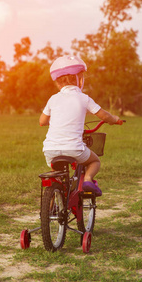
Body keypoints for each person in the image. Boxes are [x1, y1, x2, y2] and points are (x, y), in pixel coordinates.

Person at [39, 55, 122, 196]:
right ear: (79, 79)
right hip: (74, 149)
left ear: (58, 83)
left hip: (50, 150)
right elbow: (103, 115)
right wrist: (114, 119)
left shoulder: (53, 99)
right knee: (95, 161)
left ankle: (53, 202)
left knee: (56, 176)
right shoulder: (84, 98)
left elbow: (42, 121)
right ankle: (88, 180)